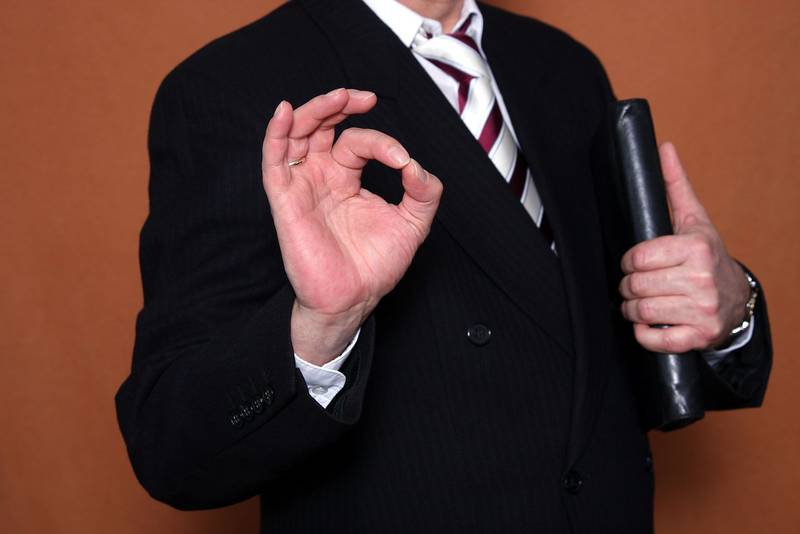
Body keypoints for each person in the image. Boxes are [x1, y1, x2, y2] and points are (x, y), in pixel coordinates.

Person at [115, 0, 772, 532]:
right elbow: (171, 450)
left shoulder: (563, 64)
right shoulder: (230, 84)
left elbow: (584, 363)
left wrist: (725, 307)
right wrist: (320, 325)